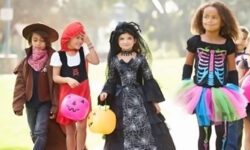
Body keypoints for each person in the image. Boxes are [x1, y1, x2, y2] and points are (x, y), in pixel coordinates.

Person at [178, 1, 248, 149]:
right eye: (206, 17)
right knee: (204, 133)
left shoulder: (228, 43)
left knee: (222, 132)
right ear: (200, 19)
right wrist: (185, 87)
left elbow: (232, 69)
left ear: (223, 21)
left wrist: (234, 93)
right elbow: (188, 65)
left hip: (221, 94)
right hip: (200, 93)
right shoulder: (194, 41)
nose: (209, 20)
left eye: (214, 17)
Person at [98, 21, 176, 150]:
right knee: (123, 129)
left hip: (141, 99)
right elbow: (111, 80)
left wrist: (154, 101)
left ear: (135, 40)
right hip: (121, 101)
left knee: (145, 127)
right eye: (122, 39)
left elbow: (148, 79)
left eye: (129, 38)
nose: (125, 41)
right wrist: (105, 91)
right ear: (117, 41)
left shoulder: (140, 58)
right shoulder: (114, 60)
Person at [13, 23, 66, 150]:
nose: (38, 43)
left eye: (42, 41)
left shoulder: (52, 60)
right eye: (35, 40)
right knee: (34, 133)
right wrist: (17, 103)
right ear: (30, 42)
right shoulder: (26, 62)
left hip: (45, 102)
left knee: (40, 132)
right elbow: (20, 84)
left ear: (47, 43)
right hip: (30, 102)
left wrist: (54, 105)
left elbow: (55, 85)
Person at [50, 21, 100, 150]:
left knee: (82, 127)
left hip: (83, 94)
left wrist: (88, 43)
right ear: (69, 37)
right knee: (70, 129)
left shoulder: (83, 52)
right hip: (67, 96)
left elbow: (96, 61)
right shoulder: (58, 55)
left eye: (81, 38)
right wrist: (67, 79)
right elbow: (55, 77)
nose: (79, 41)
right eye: (77, 37)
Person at [226, 26, 249, 150]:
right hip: (233, 94)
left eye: (244, 38)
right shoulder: (229, 55)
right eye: (237, 38)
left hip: (249, 96)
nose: (240, 41)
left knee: (244, 131)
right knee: (233, 127)